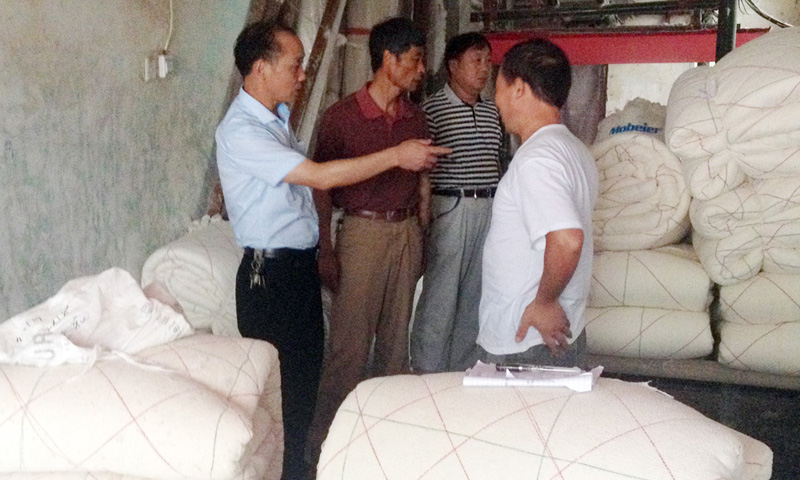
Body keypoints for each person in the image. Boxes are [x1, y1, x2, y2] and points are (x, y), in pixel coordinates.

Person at [215, 21, 448, 480]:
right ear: (261, 68)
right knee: (282, 393)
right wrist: (396, 156)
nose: (303, 75)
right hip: (270, 275)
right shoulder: (242, 130)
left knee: (303, 383)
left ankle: (307, 469)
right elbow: (319, 178)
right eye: (295, 65)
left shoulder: (276, 121)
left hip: (295, 268)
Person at [307, 17, 431, 461]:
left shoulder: (416, 117)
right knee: (349, 348)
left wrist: (422, 232)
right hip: (361, 232)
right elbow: (319, 186)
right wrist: (326, 246)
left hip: (406, 232)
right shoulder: (341, 117)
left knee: (396, 348)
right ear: (388, 60)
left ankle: (384, 446)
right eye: (415, 60)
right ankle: (323, 448)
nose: (422, 70)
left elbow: (423, 182)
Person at [477, 38, 598, 368]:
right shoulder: (573, 150)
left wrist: (544, 302)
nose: (496, 101)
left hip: (530, 339)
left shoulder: (538, 159)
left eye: (498, 88)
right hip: (557, 331)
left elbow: (567, 239)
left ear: (518, 88)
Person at [410, 32, 504, 373]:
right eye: (476, 61)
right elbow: (422, 171)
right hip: (451, 207)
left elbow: (499, 160)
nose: (484, 69)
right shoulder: (432, 109)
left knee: (475, 296)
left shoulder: (493, 111)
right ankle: (427, 370)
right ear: (453, 66)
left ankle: (461, 372)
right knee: (441, 294)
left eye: (488, 62)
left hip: (487, 208)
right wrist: (424, 220)